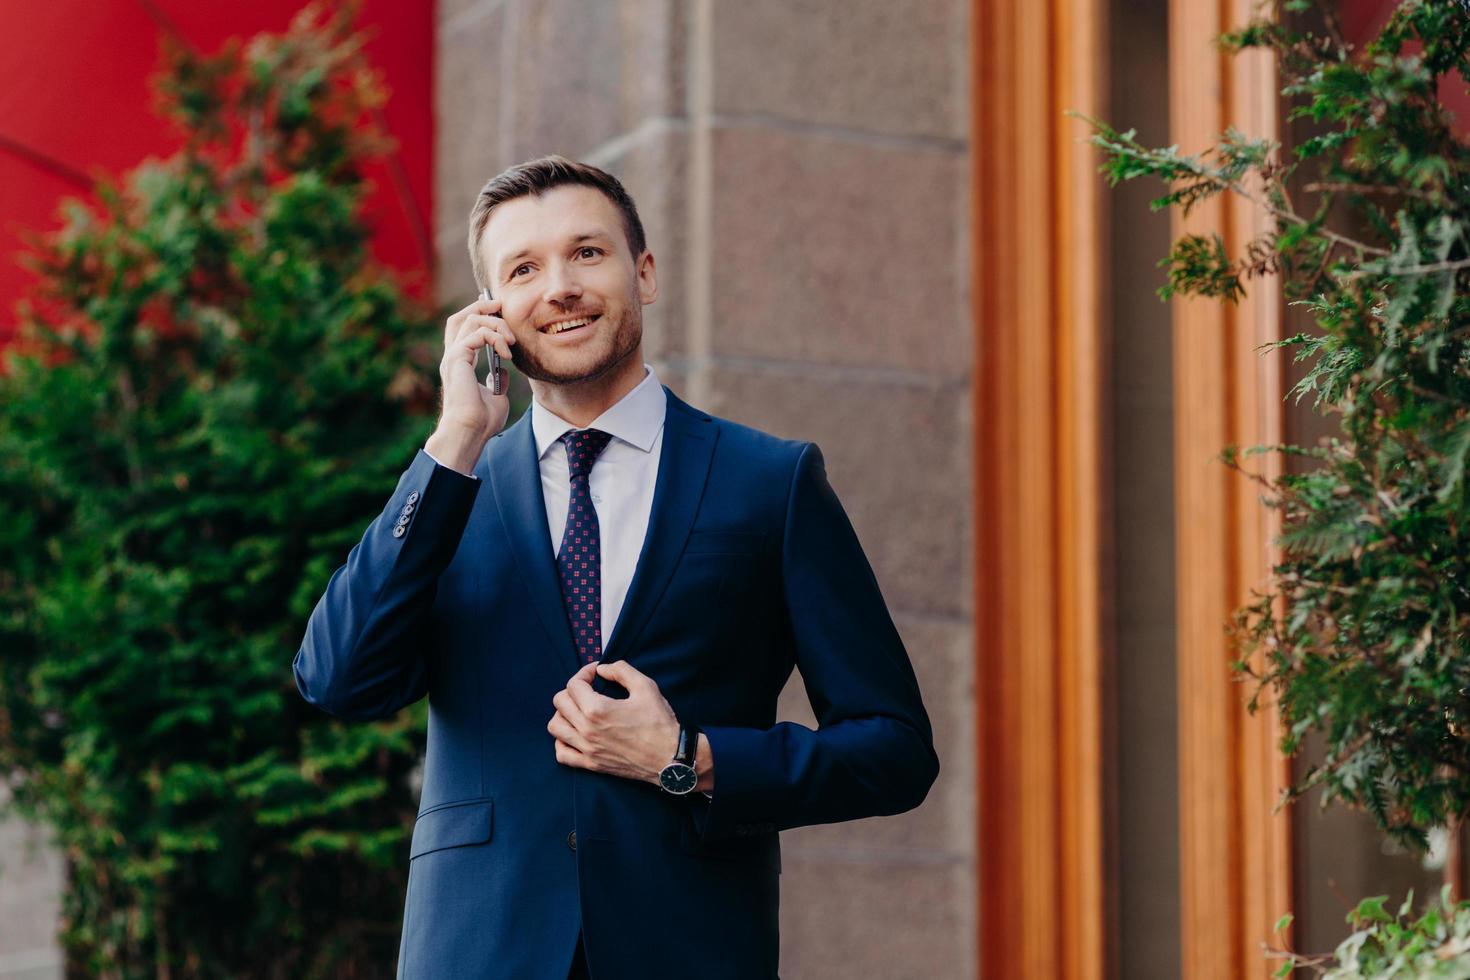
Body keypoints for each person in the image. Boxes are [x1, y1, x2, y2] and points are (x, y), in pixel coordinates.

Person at [293, 155, 939, 980]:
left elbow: (894, 749)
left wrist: (692, 756)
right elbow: (338, 679)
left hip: (691, 949)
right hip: (478, 952)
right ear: (490, 313)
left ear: (644, 273)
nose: (559, 286)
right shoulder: (451, 489)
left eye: (587, 253)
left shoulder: (768, 483)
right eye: (524, 269)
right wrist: (456, 438)